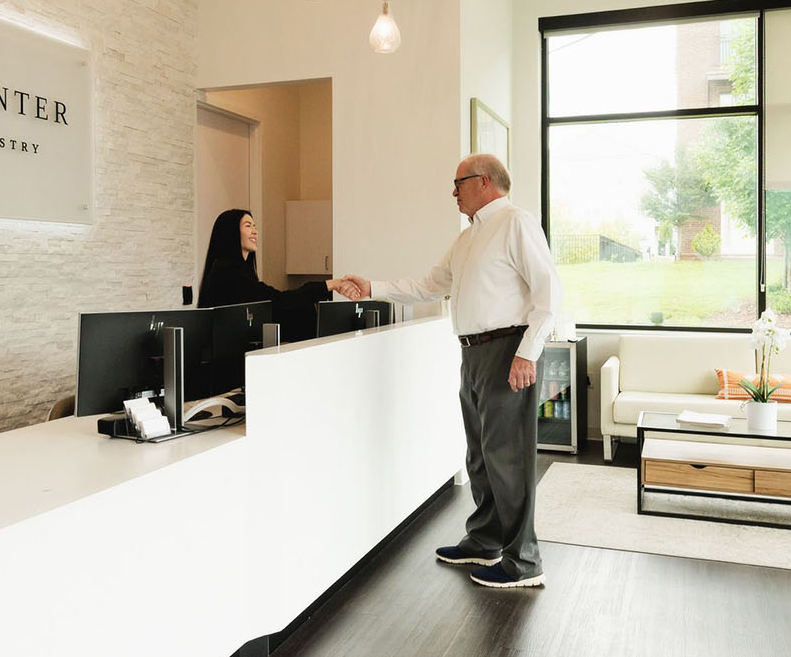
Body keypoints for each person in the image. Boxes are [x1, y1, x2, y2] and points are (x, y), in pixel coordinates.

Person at [335, 154, 562, 590]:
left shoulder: (516, 222)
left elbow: (548, 292)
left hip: (507, 351)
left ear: (483, 182)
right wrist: (373, 288)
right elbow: (430, 283)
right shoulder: (468, 238)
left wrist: (526, 354)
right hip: (473, 355)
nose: (453, 193)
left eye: (457, 183)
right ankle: (485, 540)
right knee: (480, 455)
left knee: (508, 457)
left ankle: (523, 561)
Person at [197, 207, 352, 316]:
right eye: (248, 225)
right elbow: (278, 300)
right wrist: (330, 284)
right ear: (231, 232)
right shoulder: (228, 271)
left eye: (255, 226)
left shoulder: (238, 270)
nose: (255, 231)